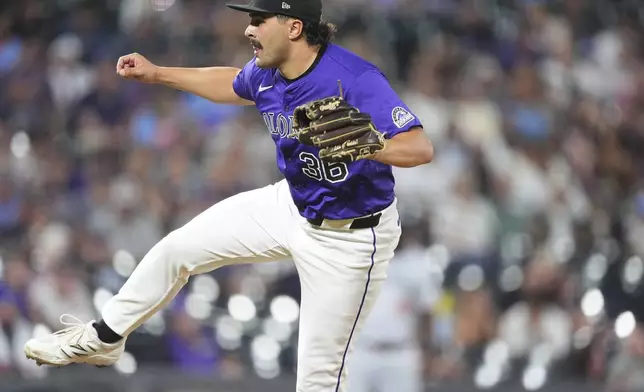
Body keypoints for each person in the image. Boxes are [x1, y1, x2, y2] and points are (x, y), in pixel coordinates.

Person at [23, 0, 434, 390]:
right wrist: (159, 73)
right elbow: (234, 84)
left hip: (351, 239)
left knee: (317, 383)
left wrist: (368, 145)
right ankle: (104, 337)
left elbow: (420, 148)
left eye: (259, 20)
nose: (248, 28)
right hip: (292, 204)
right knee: (178, 248)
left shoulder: (354, 77)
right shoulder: (267, 71)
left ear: (294, 27)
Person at [347, 227, 435, 392]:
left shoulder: (418, 262)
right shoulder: (355, 255)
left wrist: (428, 352)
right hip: (361, 350)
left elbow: (426, 311)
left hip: (400, 352)